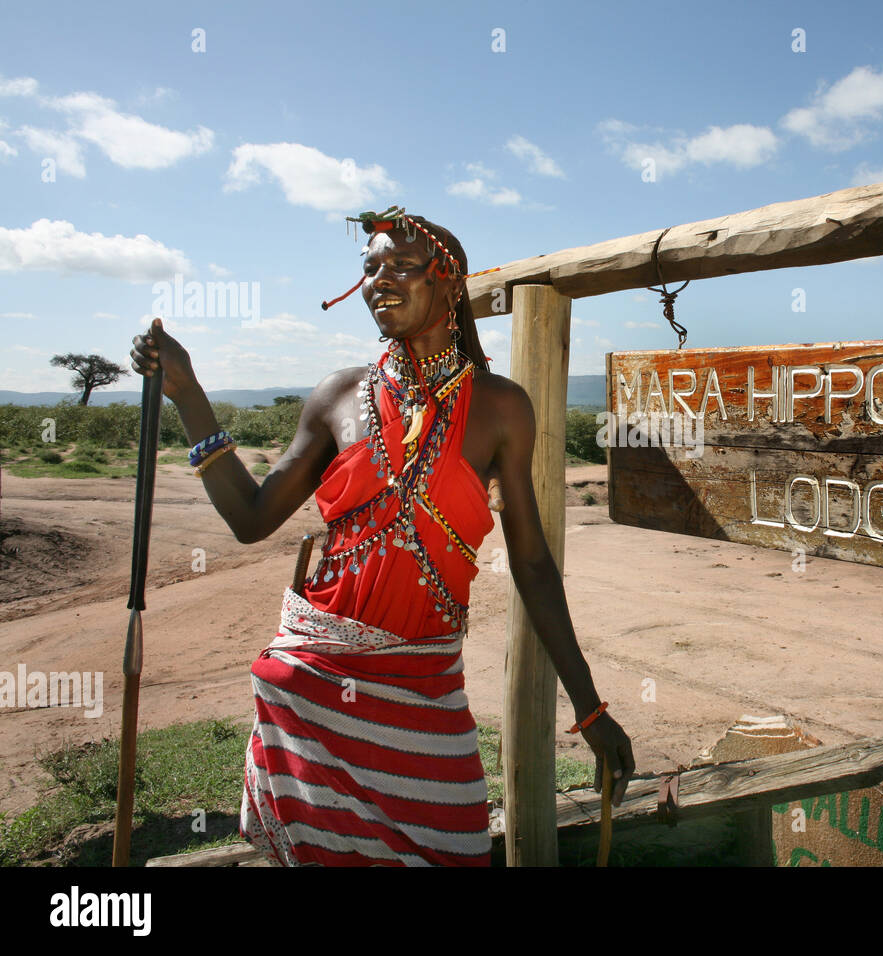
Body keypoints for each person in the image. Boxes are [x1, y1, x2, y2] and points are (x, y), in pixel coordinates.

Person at [129, 206, 634, 865]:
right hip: (313, 686)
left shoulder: (501, 406)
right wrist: (187, 394)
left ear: (451, 285)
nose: (378, 279)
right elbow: (251, 519)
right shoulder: (337, 396)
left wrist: (590, 710)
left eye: (400, 265)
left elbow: (533, 567)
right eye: (368, 267)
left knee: (452, 842)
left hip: (425, 689)